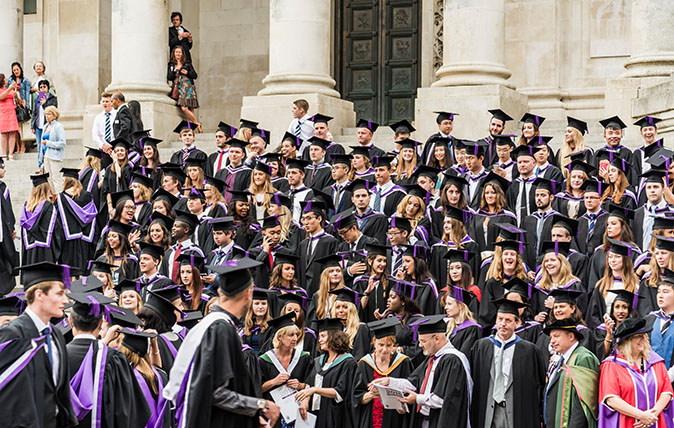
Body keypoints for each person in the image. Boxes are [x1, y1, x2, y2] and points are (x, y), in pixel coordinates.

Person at [164, 258, 281, 428]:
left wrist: (251, 417)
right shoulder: (220, 329)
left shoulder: (210, 324)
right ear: (248, 294)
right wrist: (260, 405)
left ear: (219, 292)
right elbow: (215, 391)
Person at [0, 262, 77, 428]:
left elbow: (61, 391)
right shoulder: (13, 334)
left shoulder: (56, 334)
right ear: (39, 294)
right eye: (59, 294)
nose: (66, 300)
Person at [66, 291, 151, 428]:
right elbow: (132, 412)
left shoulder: (55, 357)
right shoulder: (113, 359)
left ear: (70, 321)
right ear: (100, 324)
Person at [374, 314, 473, 428]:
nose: (420, 345)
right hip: (424, 421)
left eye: (423, 341)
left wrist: (417, 398)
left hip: (440, 421)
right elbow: (414, 383)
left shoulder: (452, 360)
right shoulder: (433, 358)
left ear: (437, 338)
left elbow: (443, 399)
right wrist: (389, 381)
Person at [470, 299, 546, 428]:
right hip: (488, 411)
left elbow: (539, 386)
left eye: (508, 320)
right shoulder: (481, 347)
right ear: (495, 321)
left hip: (518, 412)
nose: (503, 324)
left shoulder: (529, 351)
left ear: (517, 323)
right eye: (500, 319)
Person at [598, 318, 674, 427]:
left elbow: (666, 391)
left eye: (644, 335)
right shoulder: (612, 365)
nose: (644, 339)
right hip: (628, 423)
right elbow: (611, 399)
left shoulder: (655, 361)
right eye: (639, 336)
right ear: (626, 341)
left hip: (655, 421)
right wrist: (641, 416)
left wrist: (652, 416)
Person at [294, 318, 358, 428]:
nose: (320, 340)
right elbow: (309, 384)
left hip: (335, 416)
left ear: (334, 337)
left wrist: (315, 390)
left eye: (323, 336)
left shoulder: (348, 363)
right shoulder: (319, 361)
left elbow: (341, 392)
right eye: (319, 337)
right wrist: (305, 401)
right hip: (315, 414)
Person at [352, 317, 414, 428]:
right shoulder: (365, 364)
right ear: (374, 343)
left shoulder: (403, 362)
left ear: (394, 345)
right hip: (370, 420)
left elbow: (410, 391)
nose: (385, 350)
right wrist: (372, 395)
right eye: (381, 345)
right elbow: (356, 397)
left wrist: (402, 406)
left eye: (389, 345)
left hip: (395, 420)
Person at [542, 318, 600, 428]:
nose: (552, 341)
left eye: (556, 336)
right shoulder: (563, 359)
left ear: (571, 336)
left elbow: (583, 404)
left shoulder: (583, 358)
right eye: (551, 337)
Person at [259, 312, 313, 428]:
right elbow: (257, 389)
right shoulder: (264, 360)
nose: (295, 338)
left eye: (296, 334)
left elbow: (311, 384)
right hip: (273, 413)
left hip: (298, 411)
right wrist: (274, 382)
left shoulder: (303, 358)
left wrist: (301, 385)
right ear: (280, 337)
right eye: (291, 335)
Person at [21, 173, 62, 265]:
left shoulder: (27, 207)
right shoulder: (48, 206)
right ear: (47, 189)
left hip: (30, 252)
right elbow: (56, 229)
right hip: (45, 253)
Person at [168, 46, 201, 130]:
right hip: (179, 88)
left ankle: (193, 126)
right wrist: (174, 71)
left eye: (179, 52)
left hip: (188, 87)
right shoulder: (171, 65)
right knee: (185, 108)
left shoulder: (187, 64)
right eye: (176, 52)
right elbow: (169, 77)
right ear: (174, 54)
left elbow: (195, 75)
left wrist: (187, 73)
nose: (178, 54)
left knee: (189, 107)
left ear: (182, 54)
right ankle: (197, 124)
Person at [444, 285, 481, 357]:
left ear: (460, 306)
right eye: (446, 304)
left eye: (449, 304)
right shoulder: (448, 325)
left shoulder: (472, 329)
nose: (446, 307)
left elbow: (465, 354)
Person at [31, 79, 57, 171]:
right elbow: (34, 113)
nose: (42, 89)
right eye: (41, 87)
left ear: (48, 88)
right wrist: (32, 126)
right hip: (38, 125)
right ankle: (40, 166)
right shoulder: (37, 100)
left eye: (44, 87)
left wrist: (45, 103)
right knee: (39, 146)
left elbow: (53, 111)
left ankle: (48, 165)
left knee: (47, 145)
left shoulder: (53, 98)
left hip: (48, 126)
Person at [91, 92, 116, 168]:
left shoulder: (117, 115)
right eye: (103, 101)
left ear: (111, 102)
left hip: (115, 147)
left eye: (107, 101)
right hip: (103, 149)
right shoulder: (98, 117)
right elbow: (95, 135)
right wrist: (103, 146)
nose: (104, 104)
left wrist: (111, 145)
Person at [0, 73, 20, 160]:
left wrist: (17, 96)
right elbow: (1, 97)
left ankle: (11, 154)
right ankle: (4, 154)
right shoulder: (2, 90)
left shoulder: (10, 89)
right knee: (4, 134)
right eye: (5, 78)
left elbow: (17, 100)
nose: (7, 79)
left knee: (12, 133)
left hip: (12, 112)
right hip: (3, 113)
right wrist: (10, 89)